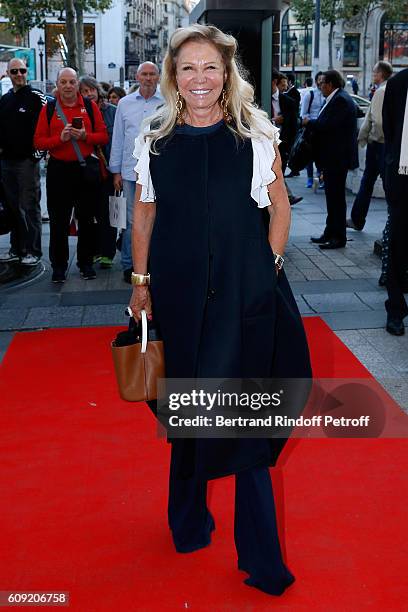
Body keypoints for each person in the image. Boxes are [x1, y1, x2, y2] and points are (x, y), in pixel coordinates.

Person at [129, 24, 311, 597]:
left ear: (228, 74)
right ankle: (188, 521)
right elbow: (143, 216)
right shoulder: (154, 138)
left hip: (244, 294)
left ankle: (262, 558)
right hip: (179, 294)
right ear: (173, 76)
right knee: (187, 408)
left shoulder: (256, 134)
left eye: (211, 67)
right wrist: (140, 283)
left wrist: (270, 266)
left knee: (243, 416)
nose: (200, 78)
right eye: (189, 68)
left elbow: (279, 206)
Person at [34, 67, 108, 283]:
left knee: (87, 220)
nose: (67, 86)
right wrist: (61, 138)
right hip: (59, 170)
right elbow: (38, 142)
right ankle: (59, 266)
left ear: (77, 84)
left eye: (71, 82)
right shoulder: (48, 108)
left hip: (84, 169)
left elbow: (102, 137)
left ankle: (85, 263)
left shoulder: (89, 105)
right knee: (58, 222)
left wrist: (85, 135)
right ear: (57, 84)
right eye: (63, 82)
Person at [109, 62, 162, 284]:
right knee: (133, 221)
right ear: (137, 77)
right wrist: (116, 171)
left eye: (152, 74)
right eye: (144, 74)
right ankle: (129, 264)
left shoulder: (169, 101)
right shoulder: (124, 103)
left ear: (158, 77)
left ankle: (154, 261)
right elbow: (118, 138)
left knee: (158, 219)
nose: (148, 78)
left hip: (159, 171)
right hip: (131, 172)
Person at [0, 58, 46, 266]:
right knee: (11, 207)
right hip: (6, 162)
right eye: (14, 71)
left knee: (29, 206)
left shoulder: (36, 97)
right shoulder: (5, 99)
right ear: (8, 74)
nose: (19, 74)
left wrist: (37, 155)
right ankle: (16, 248)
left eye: (22, 71)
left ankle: (33, 250)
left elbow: (47, 125)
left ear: (27, 72)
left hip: (26, 162)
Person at [305, 70, 358, 249]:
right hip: (333, 158)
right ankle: (330, 232)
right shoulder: (338, 98)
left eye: (322, 84)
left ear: (330, 84)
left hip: (337, 158)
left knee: (336, 199)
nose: (320, 87)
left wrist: (308, 123)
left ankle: (338, 237)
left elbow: (328, 126)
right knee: (332, 198)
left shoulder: (341, 100)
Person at [346, 61, 393, 232]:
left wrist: (369, 137)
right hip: (385, 145)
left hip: (379, 144)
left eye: (374, 73)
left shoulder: (381, 91)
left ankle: (360, 219)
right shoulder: (390, 89)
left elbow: (378, 120)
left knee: (374, 183)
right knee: (376, 182)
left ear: (380, 74)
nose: (373, 76)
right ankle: (359, 218)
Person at [79, 75, 117, 268]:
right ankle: (93, 251)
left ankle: (107, 253)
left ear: (97, 90)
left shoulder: (111, 112)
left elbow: (117, 141)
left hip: (107, 169)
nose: (88, 94)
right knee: (88, 213)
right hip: (86, 170)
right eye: (84, 91)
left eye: (90, 90)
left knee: (109, 212)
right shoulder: (78, 112)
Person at [382, 67, 408, 335]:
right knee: (398, 245)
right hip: (403, 178)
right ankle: (396, 310)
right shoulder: (398, 83)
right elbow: (389, 132)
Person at [271, 69, 302, 205]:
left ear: (274, 82)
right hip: (264, 146)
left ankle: (283, 201)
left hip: (281, 147)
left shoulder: (289, 102)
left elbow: (294, 126)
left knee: (279, 175)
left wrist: (287, 147)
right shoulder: (258, 98)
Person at [301, 72, 325, 188]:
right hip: (311, 128)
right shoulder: (309, 95)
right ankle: (310, 178)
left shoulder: (326, 95)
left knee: (321, 154)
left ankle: (320, 177)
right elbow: (303, 114)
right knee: (309, 154)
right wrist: (312, 121)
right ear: (316, 82)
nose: (322, 83)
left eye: (324, 80)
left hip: (322, 129)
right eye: (320, 80)